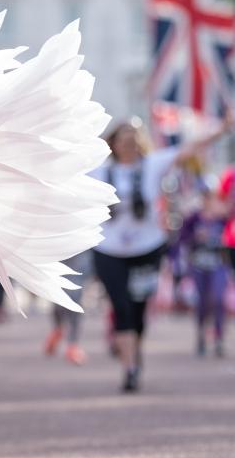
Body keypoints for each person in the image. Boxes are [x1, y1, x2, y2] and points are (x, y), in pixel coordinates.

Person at [91, 117, 231, 393]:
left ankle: (134, 349)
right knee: (121, 307)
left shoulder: (153, 165)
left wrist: (224, 128)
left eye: (134, 136)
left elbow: (190, 148)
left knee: (139, 309)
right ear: (113, 142)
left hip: (147, 249)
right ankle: (130, 368)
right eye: (123, 137)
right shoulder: (98, 170)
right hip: (109, 250)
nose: (129, 142)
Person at [178, 187, 229, 357]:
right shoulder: (193, 218)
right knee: (202, 302)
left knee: (218, 299)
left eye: (213, 199)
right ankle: (201, 335)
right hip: (198, 266)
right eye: (206, 199)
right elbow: (182, 239)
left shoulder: (223, 219)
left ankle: (219, 338)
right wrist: (196, 238)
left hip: (218, 265)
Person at [43, 250, 93, 365]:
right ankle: (58, 329)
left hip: (81, 244)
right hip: (56, 245)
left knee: (75, 294)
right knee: (57, 292)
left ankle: (73, 344)